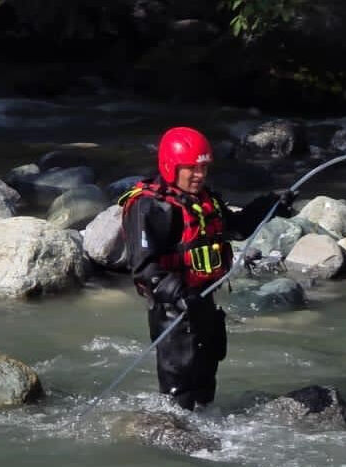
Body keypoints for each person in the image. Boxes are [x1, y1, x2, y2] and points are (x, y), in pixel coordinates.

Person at [120, 126, 293, 410]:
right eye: (191, 168)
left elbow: (235, 228)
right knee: (180, 384)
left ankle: (207, 430)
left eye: (203, 167)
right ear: (171, 166)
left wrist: (269, 205)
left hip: (206, 301)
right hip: (174, 310)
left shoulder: (204, 200)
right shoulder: (150, 208)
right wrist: (180, 295)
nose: (199, 175)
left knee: (206, 378)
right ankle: (176, 434)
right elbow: (144, 270)